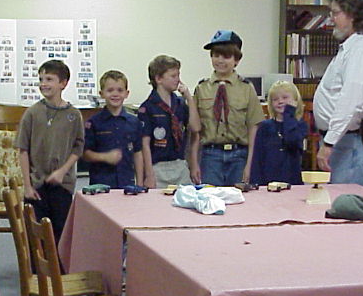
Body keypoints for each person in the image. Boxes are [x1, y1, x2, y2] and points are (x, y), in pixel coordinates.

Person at [314, 0, 363, 186]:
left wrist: (329, 142)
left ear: (353, 15)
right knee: (338, 199)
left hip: (350, 142)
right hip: (344, 141)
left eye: (336, 13)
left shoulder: (362, 50)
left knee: (347, 201)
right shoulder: (353, 47)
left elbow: (352, 101)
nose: (331, 19)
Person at [15, 60, 84, 244]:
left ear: (63, 83)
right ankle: (37, 265)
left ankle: (58, 264)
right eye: (41, 79)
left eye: (49, 79)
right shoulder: (32, 113)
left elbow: (78, 148)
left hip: (62, 185)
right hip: (36, 185)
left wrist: (62, 171)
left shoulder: (74, 115)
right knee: (36, 236)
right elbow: (23, 150)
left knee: (60, 234)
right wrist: (27, 186)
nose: (43, 84)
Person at [190, 30, 265, 186]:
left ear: (236, 60)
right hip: (210, 156)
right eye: (216, 55)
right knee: (210, 197)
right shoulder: (202, 88)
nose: (220, 60)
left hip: (239, 156)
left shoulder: (246, 88)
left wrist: (250, 164)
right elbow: (195, 132)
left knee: (238, 198)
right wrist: (194, 163)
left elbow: (253, 129)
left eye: (226, 56)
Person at [137, 55, 200, 188]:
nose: (178, 80)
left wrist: (189, 98)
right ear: (158, 79)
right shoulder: (147, 108)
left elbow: (195, 128)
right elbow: (145, 144)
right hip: (158, 167)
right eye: (173, 76)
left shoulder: (180, 104)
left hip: (180, 164)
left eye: (178, 75)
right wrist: (149, 174)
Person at [83, 70, 143, 189]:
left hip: (127, 183)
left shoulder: (134, 122)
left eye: (120, 90)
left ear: (127, 93)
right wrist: (105, 157)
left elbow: (137, 153)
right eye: (110, 90)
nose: (115, 94)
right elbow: (85, 154)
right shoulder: (93, 123)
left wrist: (140, 182)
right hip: (101, 184)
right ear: (101, 94)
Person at [250, 81, 308, 186]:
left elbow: (291, 141)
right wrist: (256, 183)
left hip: (292, 180)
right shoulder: (264, 127)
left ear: (295, 101)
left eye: (285, 97)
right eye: (275, 99)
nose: (280, 101)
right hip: (267, 181)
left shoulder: (300, 125)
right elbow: (257, 159)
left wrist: (289, 114)